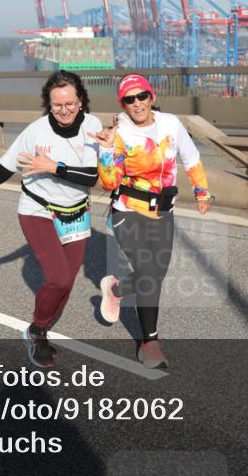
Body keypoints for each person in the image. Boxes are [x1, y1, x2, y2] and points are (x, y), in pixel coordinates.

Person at [0, 70, 102, 368]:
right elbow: (3, 169)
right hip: (37, 209)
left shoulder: (92, 126)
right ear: (48, 105)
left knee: (67, 284)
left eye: (70, 103)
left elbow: (92, 177)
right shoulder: (36, 133)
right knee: (58, 278)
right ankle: (37, 331)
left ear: (81, 101)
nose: (64, 110)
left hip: (76, 212)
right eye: (57, 105)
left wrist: (54, 167)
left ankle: (43, 326)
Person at [89, 74, 212, 369]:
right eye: (129, 99)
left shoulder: (170, 124)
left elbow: (191, 158)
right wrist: (105, 151)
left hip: (163, 212)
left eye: (141, 96)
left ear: (151, 96)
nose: (137, 103)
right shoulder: (117, 134)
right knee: (148, 273)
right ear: (123, 103)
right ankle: (150, 343)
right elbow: (108, 183)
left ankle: (116, 290)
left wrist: (201, 191)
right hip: (127, 212)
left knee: (155, 274)